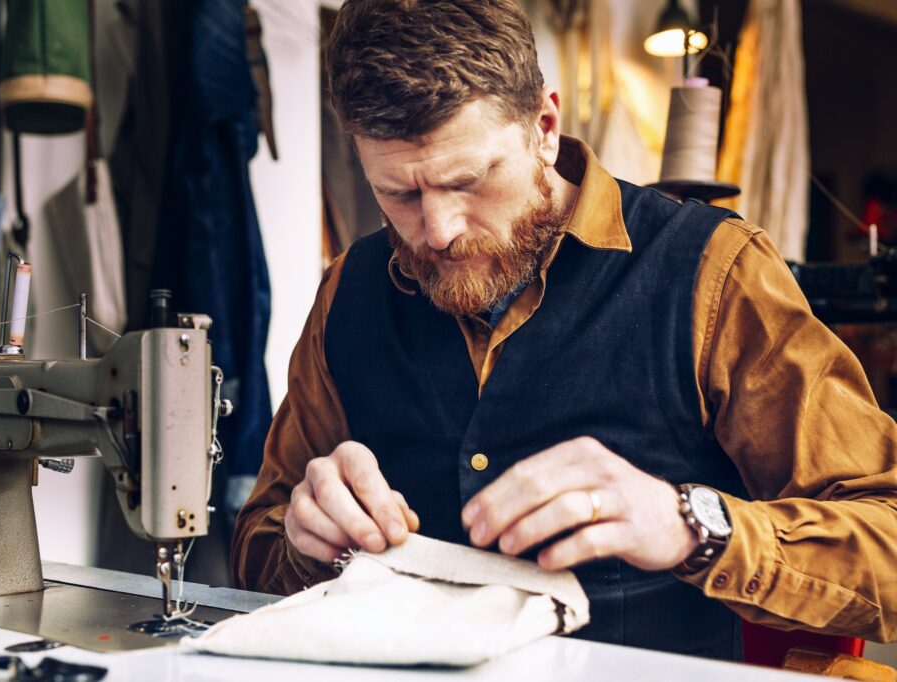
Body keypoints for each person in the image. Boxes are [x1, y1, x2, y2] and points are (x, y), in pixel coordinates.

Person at [231, 0, 897, 659]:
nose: (439, 232)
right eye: (398, 194)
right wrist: (302, 540)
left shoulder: (716, 276)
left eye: (468, 181)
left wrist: (690, 524)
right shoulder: (348, 291)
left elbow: (887, 542)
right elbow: (257, 551)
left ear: (543, 125)